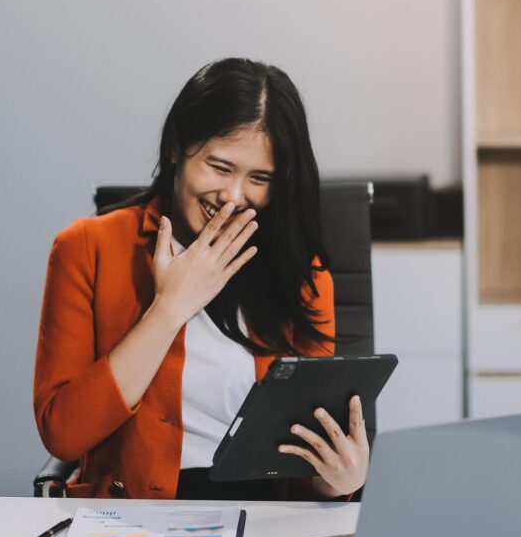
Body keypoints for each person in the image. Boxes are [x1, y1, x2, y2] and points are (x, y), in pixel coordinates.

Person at [34, 58, 369, 500]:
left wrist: (338, 480)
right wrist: (168, 309)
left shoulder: (303, 275)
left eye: (259, 178)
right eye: (220, 167)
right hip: (135, 518)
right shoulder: (85, 248)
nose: (233, 197)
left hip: (265, 520)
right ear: (177, 146)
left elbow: (304, 457)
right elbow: (63, 434)